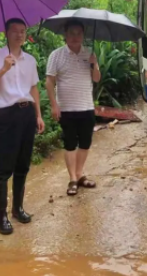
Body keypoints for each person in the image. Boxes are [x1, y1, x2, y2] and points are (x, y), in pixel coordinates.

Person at [0, 18, 45, 235]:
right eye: (15, 31)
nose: (19, 34)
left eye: (23, 30)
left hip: (27, 112)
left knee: (23, 164)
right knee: (4, 168)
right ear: (5, 33)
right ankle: (1, 217)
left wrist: (38, 114)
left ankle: (17, 208)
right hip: (6, 115)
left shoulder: (30, 60)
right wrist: (3, 70)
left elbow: (34, 88)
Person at [45, 20, 101, 196]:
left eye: (78, 33)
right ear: (65, 35)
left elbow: (97, 79)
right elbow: (49, 81)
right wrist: (54, 105)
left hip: (86, 107)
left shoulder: (89, 54)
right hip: (67, 109)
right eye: (71, 33)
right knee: (70, 144)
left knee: (85, 142)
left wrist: (94, 64)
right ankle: (72, 179)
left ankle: (80, 174)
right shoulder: (56, 55)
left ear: (83, 35)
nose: (75, 36)